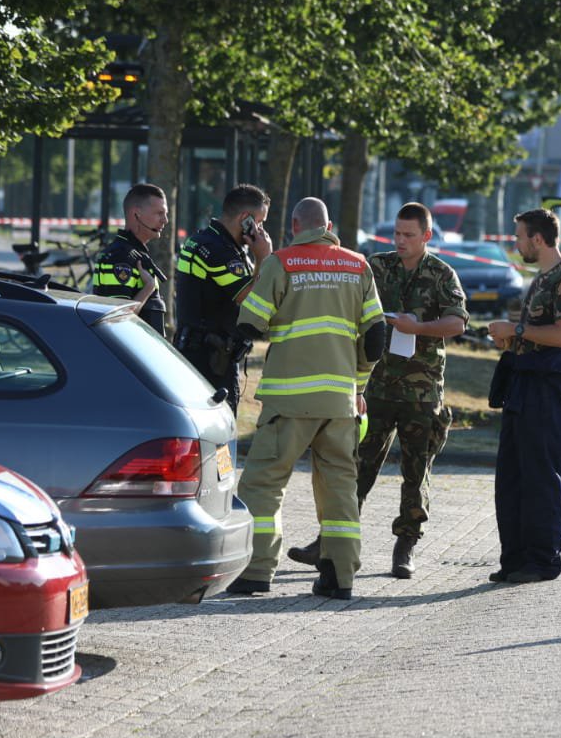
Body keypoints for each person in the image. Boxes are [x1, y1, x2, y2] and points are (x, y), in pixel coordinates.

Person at [285, 202, 467, 579]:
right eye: (397, 234)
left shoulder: (441, 274)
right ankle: (330, 543)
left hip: (422, 391)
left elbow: (457, 323)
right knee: (356, 467)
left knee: (416, 472)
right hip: (376, 386)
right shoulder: (377, 267)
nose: (400, 241)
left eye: (409, 235)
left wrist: (419, 328)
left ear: (427, 236)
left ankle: (405, 545)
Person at [225, 198, 384, 601]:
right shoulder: (358, 265)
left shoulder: (282, 263)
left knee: (263, 484)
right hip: (340, 403)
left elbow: (250, 322)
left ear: (295, 225)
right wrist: (358, 387)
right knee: (339, 488)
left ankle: (257, 570)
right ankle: (339, 575)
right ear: (328, 225)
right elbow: (376, 338)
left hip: (289, 402)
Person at [485, 208, 561, 585]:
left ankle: (543, 561)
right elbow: (534, 332)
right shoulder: (541, 278)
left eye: (520, 238)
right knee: (512, 476)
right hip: (523, 384)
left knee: (541, 475)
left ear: (538, 240)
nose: (517, 245)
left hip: (547, 386)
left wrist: (516, 328)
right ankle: (516, 559)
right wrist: (509, 336)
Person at [173, 184, 274, 415]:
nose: (261, 229)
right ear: (245, 218)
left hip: (202, 352)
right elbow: (250, 299)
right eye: (260, 222)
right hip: (210, 360)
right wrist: (264, 258)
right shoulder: (218, 250)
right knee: (221, 436)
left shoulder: (207, 240)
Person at [92, 183, 170, 337]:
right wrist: (148, 288)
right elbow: (116, 320)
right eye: (159, 213)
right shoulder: (120, 257)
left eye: (165, 214)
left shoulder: (135, 253)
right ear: (136, 214)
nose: (165, 220)